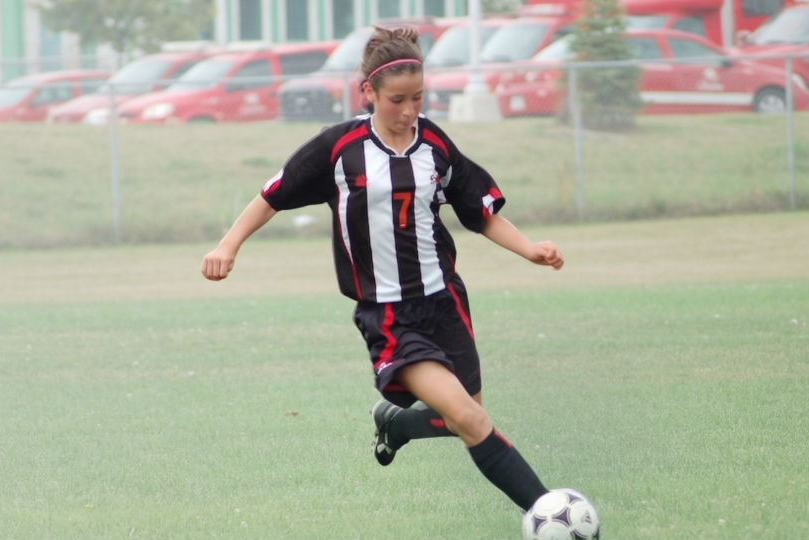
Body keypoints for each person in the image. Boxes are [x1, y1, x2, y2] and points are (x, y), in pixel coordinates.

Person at [199, 26, 565, 512]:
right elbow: (272, 196)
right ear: (367, 92)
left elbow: (479, 212)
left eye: (418, 97)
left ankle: (395, 424)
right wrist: (229, 245)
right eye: (397, 99)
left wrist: (529, 249)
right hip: (390, 317)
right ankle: (550, 512)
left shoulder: (434, 143)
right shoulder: (339, 148)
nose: (410, 110)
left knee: (467, 416)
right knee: (471, 421)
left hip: (446, 301)